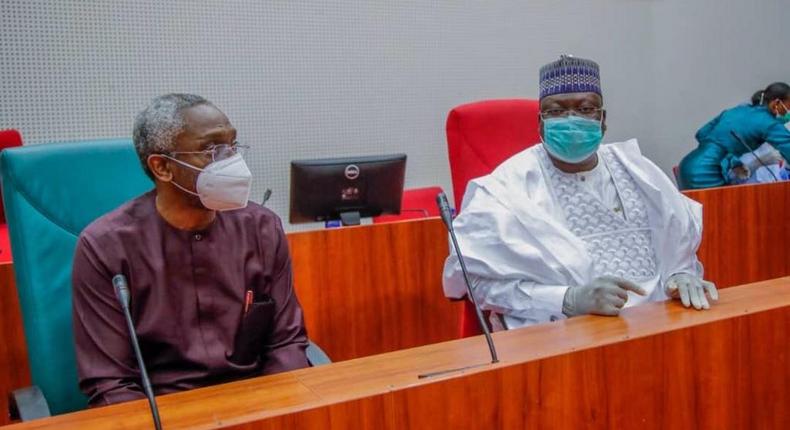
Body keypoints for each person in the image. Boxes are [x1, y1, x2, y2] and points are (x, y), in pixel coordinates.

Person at [442, 55, 718, 331]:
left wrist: (681, 274)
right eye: (556, 111)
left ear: (603, 119)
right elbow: (474, 282)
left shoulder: (640, 171)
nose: (571, 119)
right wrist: (566, 299)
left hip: (657, 326)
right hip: (560, 336)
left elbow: (679, 249)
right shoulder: (505, 188)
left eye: (585, 108)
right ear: (539, 123)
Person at [72, 94, 309, 406]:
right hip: (162, 413)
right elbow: (110, 383)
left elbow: (286, 344)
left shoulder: (262, 228)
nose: (231, 161)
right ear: (163, 167)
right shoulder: (104, 247)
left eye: (232, 146)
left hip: (255, 405)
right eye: (213, 150)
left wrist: (278, 414)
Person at [679, 82, 790, 189]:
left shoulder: (737, 110)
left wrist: (731, 159)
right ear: (776, 103)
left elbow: (702, 134)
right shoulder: (769, 123)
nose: (788, 112)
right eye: (788, 107)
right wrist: (729, 158)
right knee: (724, 207)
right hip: (707, 172)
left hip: (687, 165)